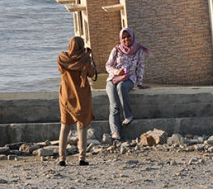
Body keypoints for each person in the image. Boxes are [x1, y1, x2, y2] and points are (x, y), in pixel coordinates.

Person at [57, 35, 96, 166]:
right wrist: (88, 57)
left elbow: (61, 71)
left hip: (66, 97)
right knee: (82, 127)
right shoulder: (85, 59)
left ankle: (62, 158)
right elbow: (91, 74)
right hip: (82, 97)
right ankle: (82, 158)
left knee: (64, 127)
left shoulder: (62, 58)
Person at [104, 27, 148, 141]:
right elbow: (108, 65)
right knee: (114, 106)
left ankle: (128, 115)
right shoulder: (116, 50)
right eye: (123, 37)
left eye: (128, 36)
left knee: (122, 86)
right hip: (113, 79)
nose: (126, 39)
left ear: (132, 37)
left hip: (129, 79)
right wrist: (115, 72)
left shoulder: (138, 50)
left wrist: (139, 82)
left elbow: (140, 67)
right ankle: (115, 132)